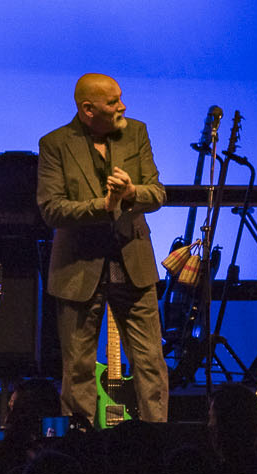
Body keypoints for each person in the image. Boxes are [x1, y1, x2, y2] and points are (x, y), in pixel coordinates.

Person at [38, 72, 169, 425]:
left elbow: (157, 192)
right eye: (112, 102)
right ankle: (80, 451)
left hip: (133, 263)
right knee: (78, 369)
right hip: (79, 269)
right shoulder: (55, 144)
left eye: (120, 98)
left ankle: (154, 444)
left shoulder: (136, 132)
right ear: (87, 109)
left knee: (150, 364)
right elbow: (52, 209)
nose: (122, 106)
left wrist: (130, 194)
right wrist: (104, 205)